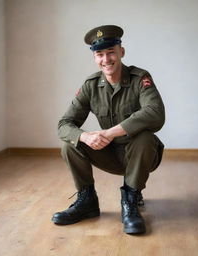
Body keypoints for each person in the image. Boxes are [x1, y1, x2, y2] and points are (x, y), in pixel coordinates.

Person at [52, 25, 165, 234]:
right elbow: (64, 124)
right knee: (70, 144)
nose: (106, 59)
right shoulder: (90, 85)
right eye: (100, 54)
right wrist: (85, 136)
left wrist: (109, 132)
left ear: (121, 52)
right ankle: (87, 201)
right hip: (111, 155)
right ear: (95, 58)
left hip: (141, 155)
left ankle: (130, 200)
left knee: (145, 138)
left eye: (111, 52)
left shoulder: (140, 78)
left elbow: (156, 113)